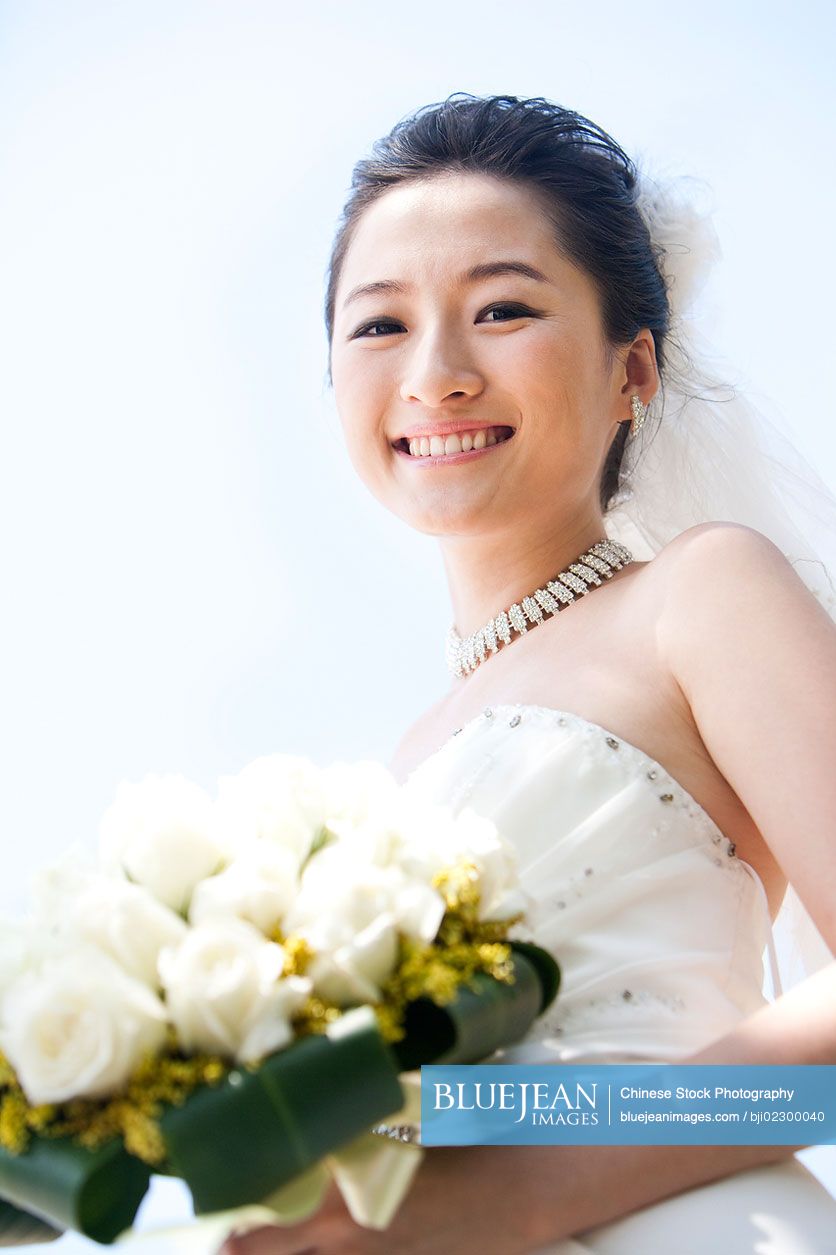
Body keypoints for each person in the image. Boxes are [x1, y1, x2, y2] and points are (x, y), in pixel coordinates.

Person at [221, 93, 836, 1254]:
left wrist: (506, 1198)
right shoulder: (395, 771)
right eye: (377, 325)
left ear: (633, 370)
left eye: (501, 308)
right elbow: (454, 1107)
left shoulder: (702, 594)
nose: (436, 373)